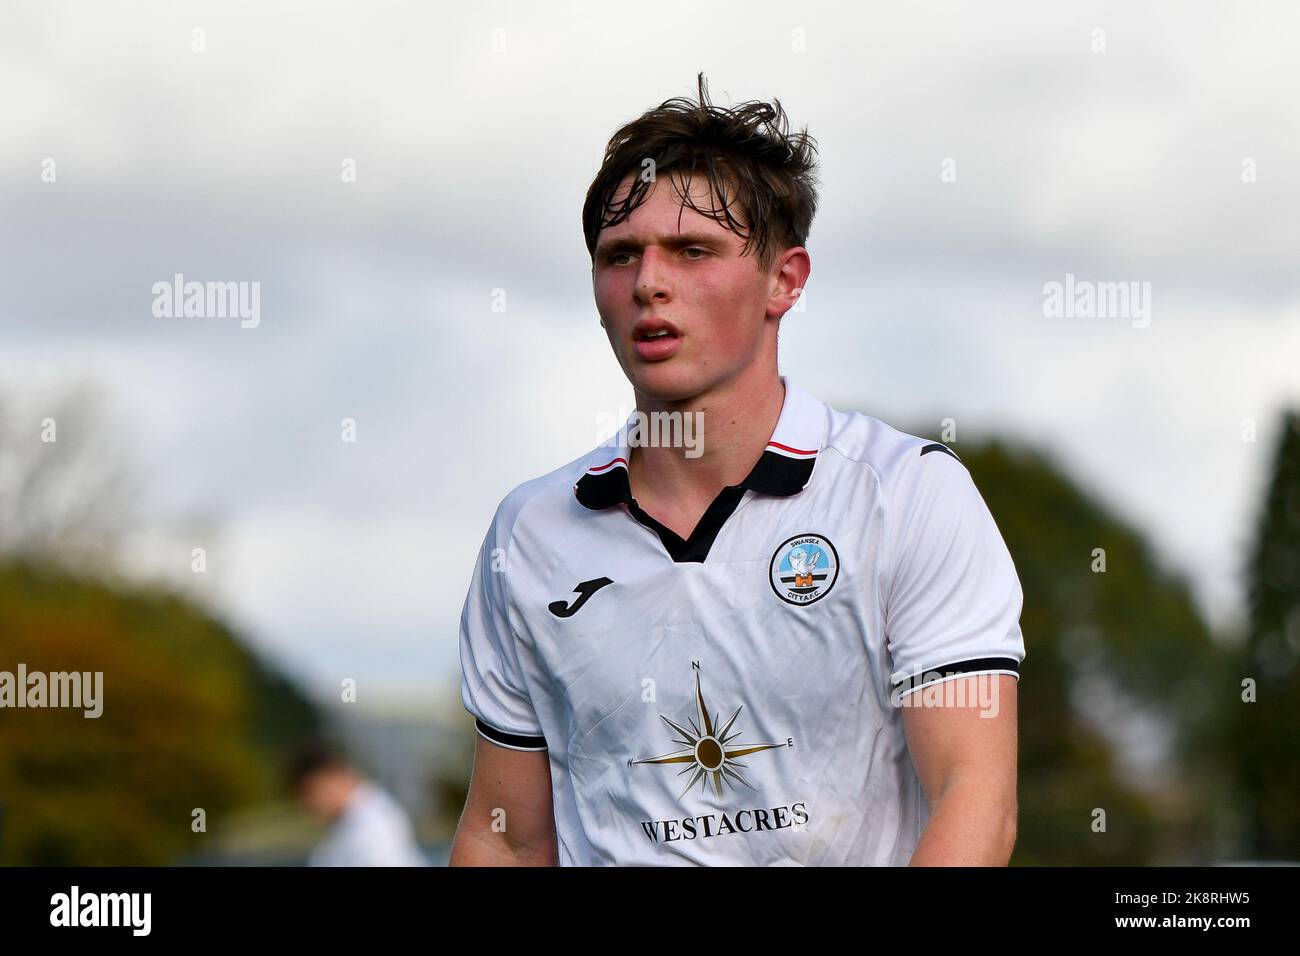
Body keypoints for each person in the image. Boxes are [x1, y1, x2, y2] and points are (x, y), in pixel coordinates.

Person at [451, 73, 1025, 866]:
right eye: (622, 255)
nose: (650, 283)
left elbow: (975, 799)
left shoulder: (905, 494)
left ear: (784, 280)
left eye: (693, 251)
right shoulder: (532, 531)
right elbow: (505, 839)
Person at [290, 744, 427, 867]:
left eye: (311, 790)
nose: (308, 803)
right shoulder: (352, 821)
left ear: (335, 776)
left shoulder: (372, 826)